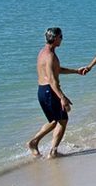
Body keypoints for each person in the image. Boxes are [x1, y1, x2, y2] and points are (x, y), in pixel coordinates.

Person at [27, 27, 85, 159]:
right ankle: (52, 151)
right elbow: (53, 80)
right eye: (61, 37)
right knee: (63, 120)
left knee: (54, 121)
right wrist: (62, 97)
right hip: (49, 90)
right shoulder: (51, 56)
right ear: (55, 38)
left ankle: (34, 142)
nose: (62, 39)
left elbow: (56, 70)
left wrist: (76, 71)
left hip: (42, 90)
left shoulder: (42, 52)